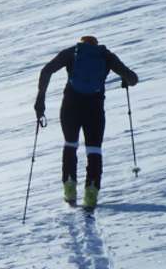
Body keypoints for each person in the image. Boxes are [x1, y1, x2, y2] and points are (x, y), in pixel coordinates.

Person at [35, 35, 138, 210]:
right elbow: (133, 79)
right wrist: (125, 78)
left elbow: (46, 70)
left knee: (70, 145)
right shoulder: (106, 56)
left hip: (70, 106)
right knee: (94, 150)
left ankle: (69, 189)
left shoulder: (72, 53)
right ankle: (91, 193)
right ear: (95, 45)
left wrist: (40, 100)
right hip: (94, 108)